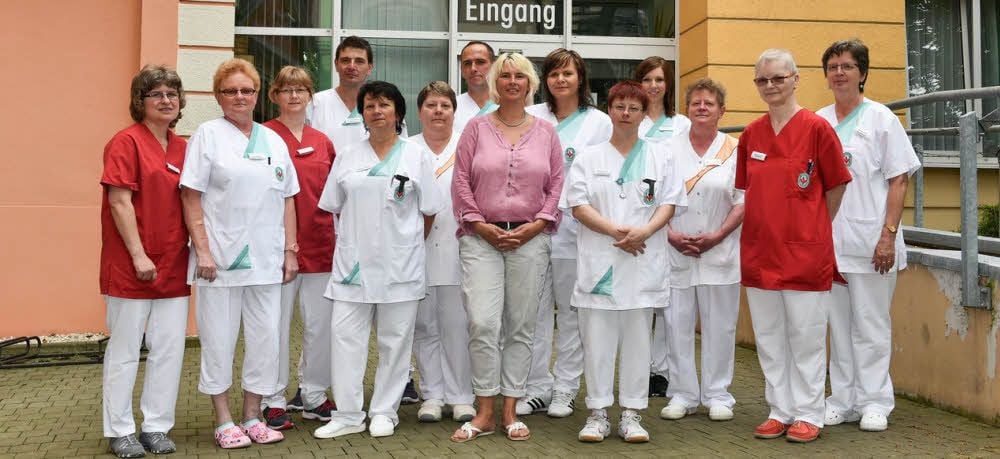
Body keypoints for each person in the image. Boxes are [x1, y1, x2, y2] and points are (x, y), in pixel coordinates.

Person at [312, 81, 444, 440]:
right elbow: (333, 207)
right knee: (345, 339)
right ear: (362, 115)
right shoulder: (348, 155)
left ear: (398, 113)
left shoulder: (415, 156)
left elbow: (429, 211)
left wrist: (404, 245)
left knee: (395, 341)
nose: (376, 111)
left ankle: (384, 411)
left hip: (400, 266)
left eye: (384, 104)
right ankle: (348, 414)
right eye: (369, 105)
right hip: (353, 266)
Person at [180, 58, 300, 449]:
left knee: (266, 339)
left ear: (256, 95)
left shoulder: (273, 140)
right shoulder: (207, 136)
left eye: (246, 90)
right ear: (218, 96)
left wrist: (290, 251)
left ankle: (252, 414)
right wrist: (204, 252)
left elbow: (288, 201)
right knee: (219, 339)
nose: (239, 97)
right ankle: (223, 419)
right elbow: (191, 196)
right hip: (221, 262)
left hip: (267, 260)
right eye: (231, 91)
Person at [735, 49, 852, 443]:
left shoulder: (817, 128)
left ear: (796, 79)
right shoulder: (751, 134)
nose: (770, 86)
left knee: (806, 336)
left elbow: (835, 185)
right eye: (762, 80)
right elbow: (745, 191)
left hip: (805, 252)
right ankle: (779, 409)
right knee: (769, 338)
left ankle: (808, 413)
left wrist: (814, 225)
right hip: (760, 250)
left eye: (778, 78)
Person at [449, 52, 563, 443]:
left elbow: (556, 187)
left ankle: (511, 409)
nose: (512, 81)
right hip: (481, 239)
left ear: (530, 83)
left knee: (521, 325)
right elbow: (461, 181)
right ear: (495, 83)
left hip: (531, 240)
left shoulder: (547, 132)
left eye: (519, 76)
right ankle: (484, 411)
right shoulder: (475, 129)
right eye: (505, 75)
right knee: (482, 322)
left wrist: (535, 227)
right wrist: (481, 225)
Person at [567, 80, 684, 443]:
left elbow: (670, 202)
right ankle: (598, 413)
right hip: (602, 260)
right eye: (620, 106)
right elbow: (577, 204)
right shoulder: (589, 156)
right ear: (610, 109)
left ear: (643, 111)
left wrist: (645, 232)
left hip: (642, 259)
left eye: (634, 107)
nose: (627, 113)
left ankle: (632, 413)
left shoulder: (661, 155)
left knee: (638, 341)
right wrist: (619, 232)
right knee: (597, 341)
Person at [818, 39, 920, 433]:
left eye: (847, 65)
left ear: (862, 72)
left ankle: (875, 401)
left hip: (872, 243)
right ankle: (842, 400)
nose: (839, 72)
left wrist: (888, 236)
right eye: (832, 66)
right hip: (830, 244)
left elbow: (898, 180)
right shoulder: (818, 120)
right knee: (838, 326)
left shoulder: (881, 119)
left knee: (872, 325)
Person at [100, 65, 190, 459]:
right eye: (156, 94)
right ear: (141, 101)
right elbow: (119, 201)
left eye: (172, 93)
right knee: (124, 350)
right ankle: (120, 429)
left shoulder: (184, 147)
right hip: (130, 264)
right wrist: (138, 255)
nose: (166, 100)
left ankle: (156, 426)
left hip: (173, 263)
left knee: (169, 349)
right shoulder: (125, 142)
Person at [518, 48, 612, 418]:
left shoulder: (599, 122)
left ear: (580, 79)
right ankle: (536, 386)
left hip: (578, 233)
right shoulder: (531, 117)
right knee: (534, 314)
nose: (560, 80)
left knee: (572, 314)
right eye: (554, 73)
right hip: (533, 230)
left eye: (568, 74)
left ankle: (565, 389)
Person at [660, 78, 745, 422]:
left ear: (722, 110)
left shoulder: (735, 149)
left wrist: (718, 235)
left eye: (709, 103)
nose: (702, 108)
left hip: (719, 250)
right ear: (687, 109)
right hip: (675, 248)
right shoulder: (666, 149)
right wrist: (670, 235)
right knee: (676, 323)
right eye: (695, 102)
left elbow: (743, 201)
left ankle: (718, 394)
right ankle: (682, 393)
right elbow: (655, 199)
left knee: (720, 325)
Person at [259, 66, 337, 430]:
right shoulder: (262, 137)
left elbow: (336, 196)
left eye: (301, 89)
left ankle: (314, 395)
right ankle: (272, 399)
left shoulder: (323, 141)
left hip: (321, 244)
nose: (293, 96)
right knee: (274, 325)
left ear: (310, 96)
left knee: (320, 327)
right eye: (286, 89)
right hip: (276, 248)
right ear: (274, 95)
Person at [409, 81, 477, 423]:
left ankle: (461, 395)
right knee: (424, 327)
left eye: (445, 105)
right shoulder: (406, 149)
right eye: (431, 105)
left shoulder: (468, 147)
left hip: (457, 249)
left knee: (456, 324)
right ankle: (432, 395)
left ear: (454, 111)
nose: (438, 111)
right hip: (413, 252)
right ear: (419, 111)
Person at [635, 55, 691, 397]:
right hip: (639, 221)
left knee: (668, 302)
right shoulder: (631, 121)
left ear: (668, 84)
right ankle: (640, 369)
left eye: (659, 79)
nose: (653, 86)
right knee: (643, 300)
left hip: (673, 218)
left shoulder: (681, 124)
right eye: (647, 79)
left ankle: (663, 370)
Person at [454, 41, 498, 133]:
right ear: (461, 69)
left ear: (494, 66)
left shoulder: (508, 105)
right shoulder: (451, 107)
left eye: (480, 62)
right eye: (467, 63)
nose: (473, 68)